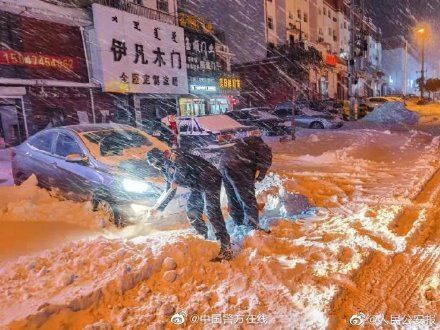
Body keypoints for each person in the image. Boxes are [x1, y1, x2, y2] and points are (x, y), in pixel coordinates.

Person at [146, 148, 233, 261]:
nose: (155, 166)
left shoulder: (175, 154)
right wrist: (159, 208)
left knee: (212, 211)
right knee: (192, 210)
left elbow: (182, 165)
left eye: (155, 163)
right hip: (197, 186)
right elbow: (170, 190)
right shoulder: (165, 169)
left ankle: (226, 248)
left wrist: (176, 179)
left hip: (209, 179)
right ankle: (203, 239)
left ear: (160, 157)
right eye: (153, 165)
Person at [220, 134, 272, 231]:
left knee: (233, 196)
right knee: (248, 199)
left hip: (223, 164)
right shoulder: (262, 146)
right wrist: (260, 176)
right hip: (238, 166)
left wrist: (251, 181)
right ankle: (252, 228)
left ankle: (238, 222)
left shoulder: (243, 144)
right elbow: (265, 162)